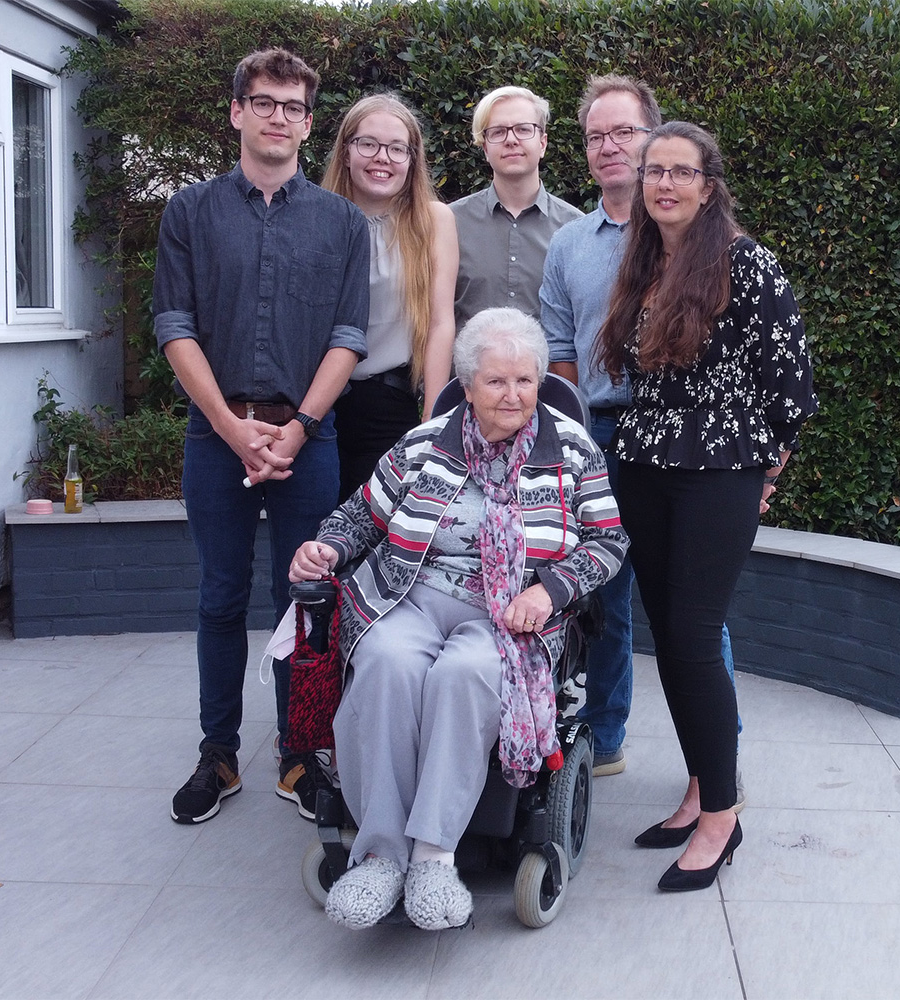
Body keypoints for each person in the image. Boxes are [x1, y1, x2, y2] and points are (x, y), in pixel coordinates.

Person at [288, 307, 628, 930]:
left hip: (511, 614)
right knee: (386, 661)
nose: (513, 395)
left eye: (525, 380)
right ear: (467, 386)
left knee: (464, 673)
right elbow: (360, 516)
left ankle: (433, 857)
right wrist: (326, 549)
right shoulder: (424, 444)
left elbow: (608, 541)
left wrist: (550, 591)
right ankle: (381, 856)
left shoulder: (573, 450)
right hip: (410, 595)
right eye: (496, 381)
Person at [595, 122, 817, 891]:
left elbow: (791, 383)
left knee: (693, 637)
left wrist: (766, 469)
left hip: (719, 471)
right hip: (644, 464)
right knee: (670, 637)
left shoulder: (747, 263)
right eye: (654, 171)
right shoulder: (645, 260)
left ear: (709, 185)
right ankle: (698, 790)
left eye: (680, 172)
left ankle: (722, 816)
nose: (664, 184)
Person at [154, 47, 370, 826]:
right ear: (237, 112)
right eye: (265, 102)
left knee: (305, 598)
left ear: (309, 124)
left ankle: (300, 754)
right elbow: (174, 324)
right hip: (216, 437)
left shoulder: (343, 222)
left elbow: (348, 335)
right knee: (220, 596)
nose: (279, 117)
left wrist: (298, 428)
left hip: (309, 439)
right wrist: (229, 426)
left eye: (293, 107)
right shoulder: (189, 212)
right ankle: (218, 753)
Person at [540, 75, 741, 780]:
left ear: (655, 138)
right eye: (596, 136)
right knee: (603, 590)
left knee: (692, 608)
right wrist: (572, 434)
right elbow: (559, 346)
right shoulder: (569, 244)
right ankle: (605, 735)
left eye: (624, 132)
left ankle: (719, 761)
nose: (609, 146)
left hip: (683, 442)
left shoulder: (699, 242)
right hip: (598, 434)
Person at [321, 94, 459, 501]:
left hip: (389, 406)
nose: (382, 157)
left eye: (397, 148)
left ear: (412, 160)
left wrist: (432, 422)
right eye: (368, 144)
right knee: (317, 532)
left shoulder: (433, 221)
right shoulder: (316, 217)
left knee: (381, 531)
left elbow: (441, 322)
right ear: (346, 151)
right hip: (318, 408)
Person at [450, 85, 582, 331]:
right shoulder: (450, 223)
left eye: (523, 129)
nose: (511, 140)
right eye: (498, 131)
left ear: (542, 143)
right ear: (485, 148)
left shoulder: (576, 229)